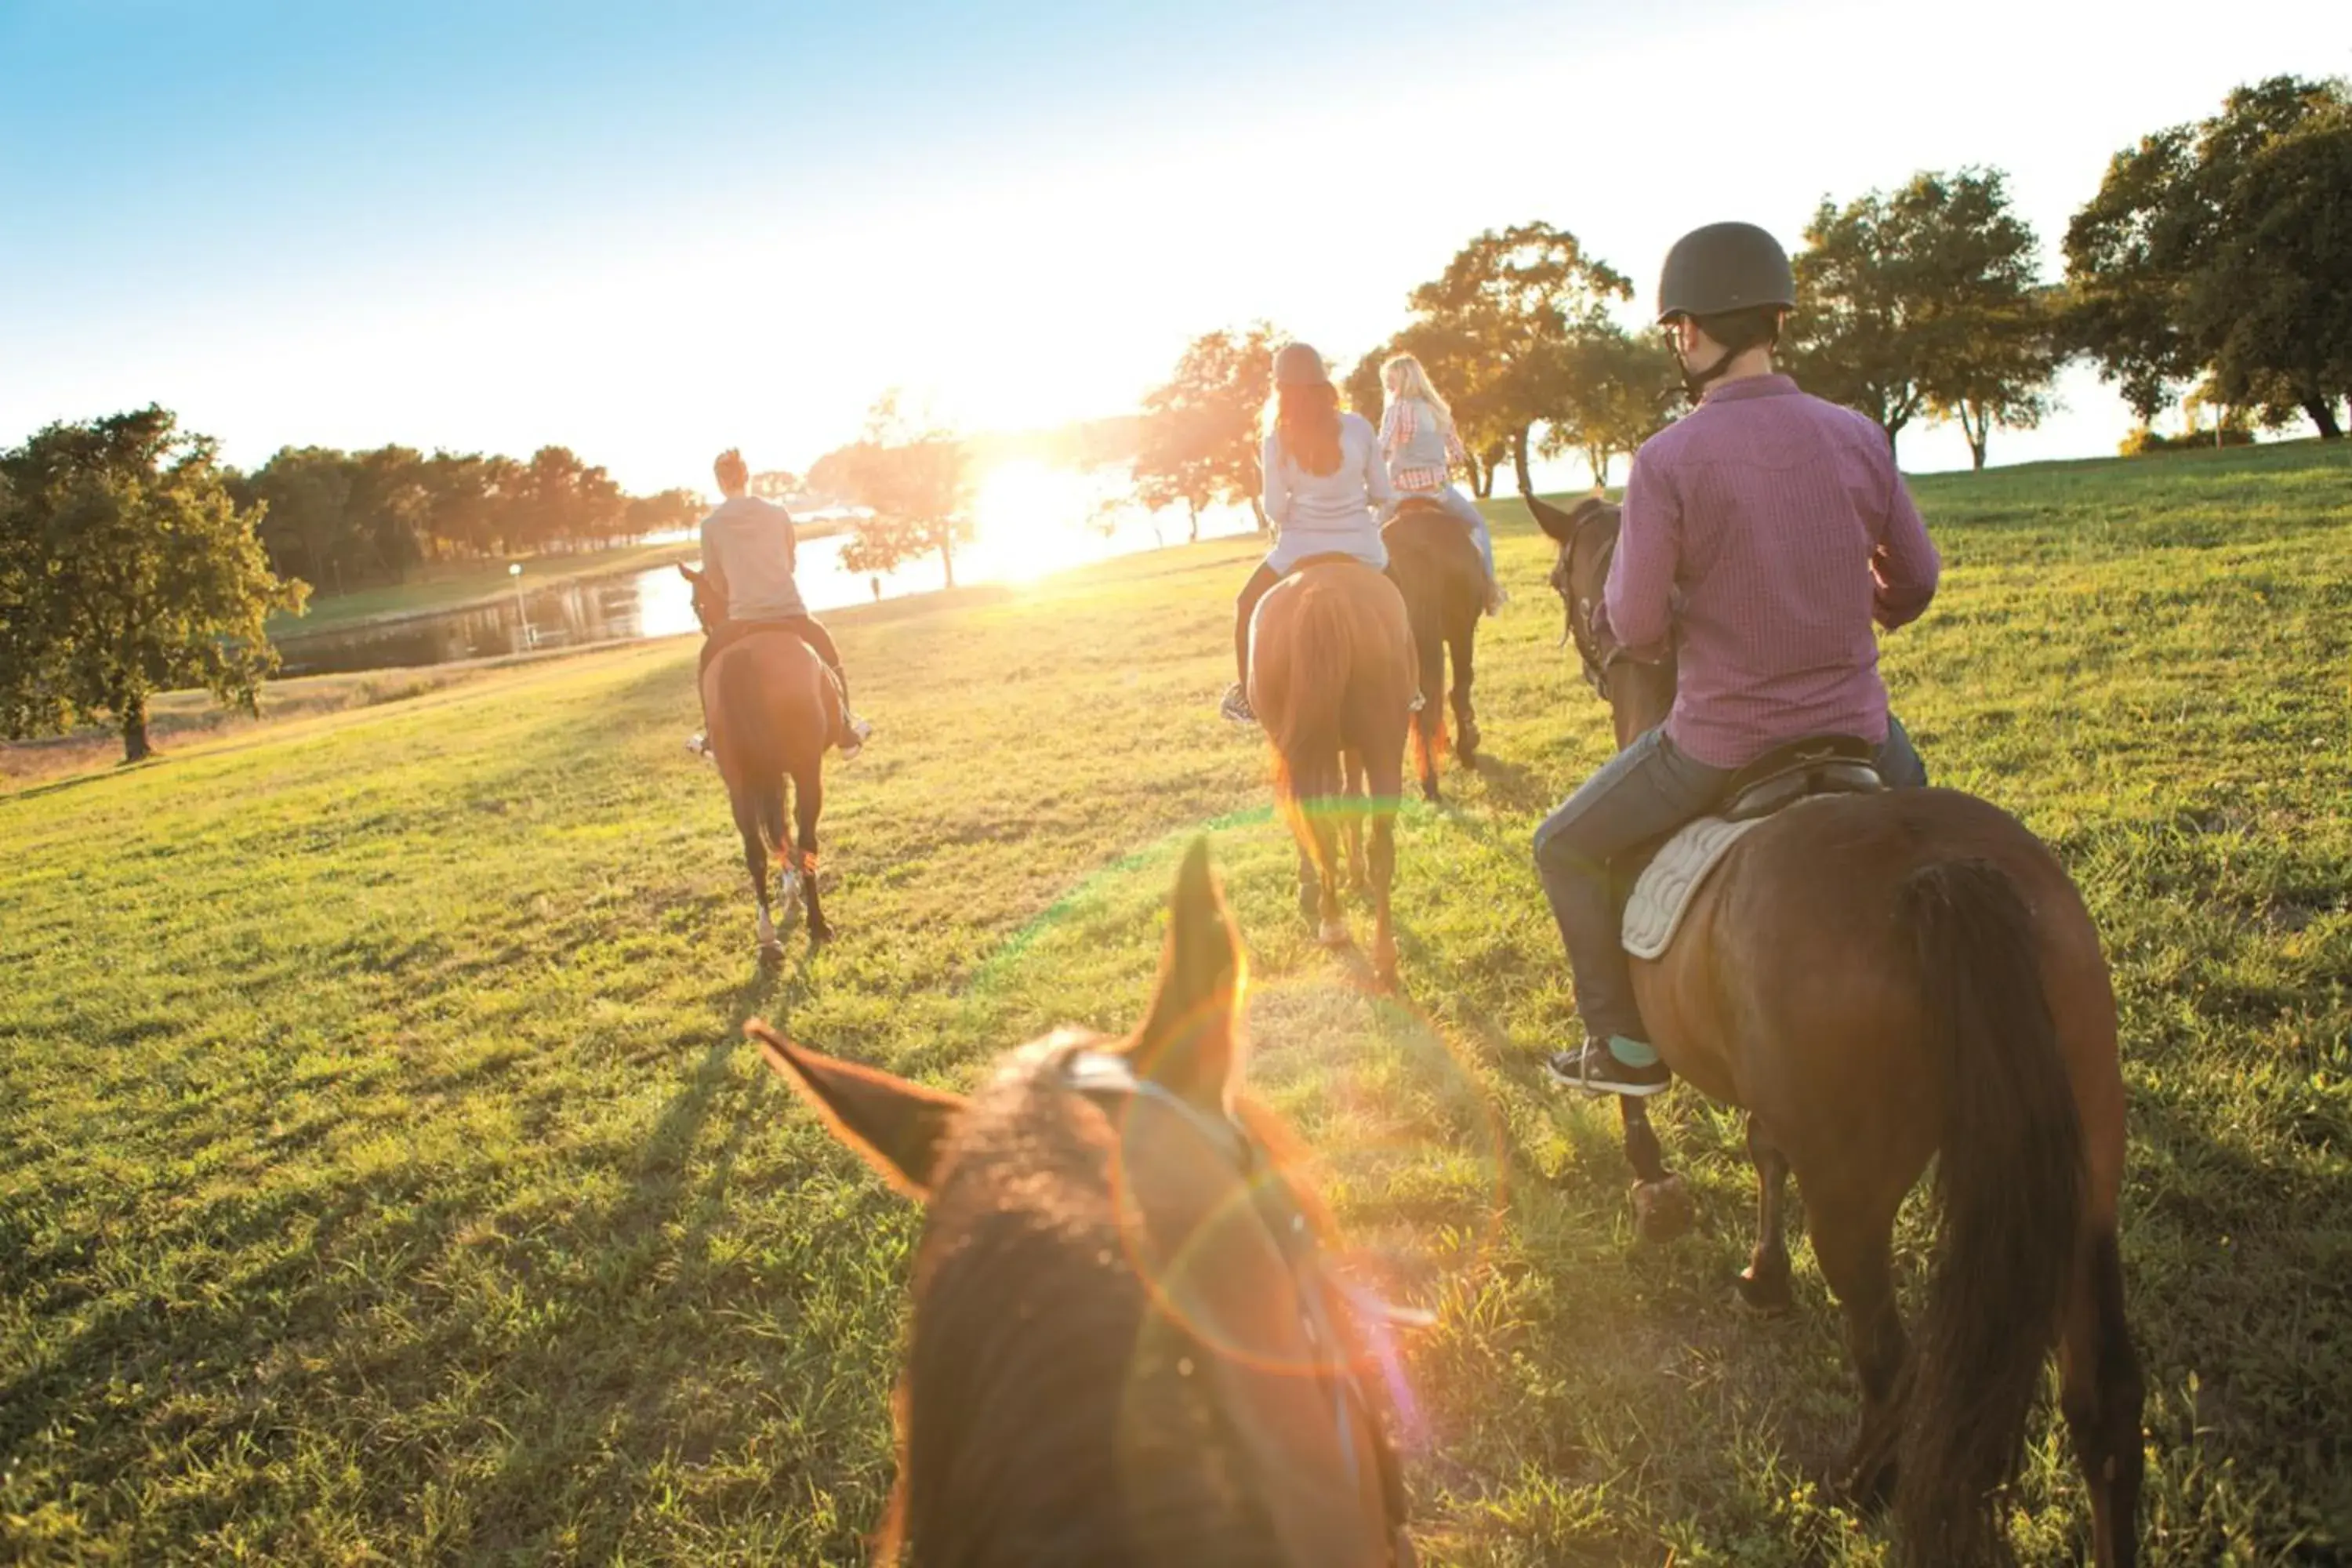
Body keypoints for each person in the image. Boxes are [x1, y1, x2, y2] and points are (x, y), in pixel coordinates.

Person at [1534, 221, 1940, 1097]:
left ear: (1689, 329)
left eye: (1676, 328)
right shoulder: (1860, 435)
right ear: (1773, 319)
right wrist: (1843, 605)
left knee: (1563, 845)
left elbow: (1635, 628)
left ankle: (1625, 1048)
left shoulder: (1668, 459)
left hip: (1720, 743)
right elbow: (1917, 581)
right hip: (1860, 733)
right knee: (1939, 841)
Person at [1219, 343, 1396, 726]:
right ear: (1324, 382)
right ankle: (1412, 686)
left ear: (1280, 388)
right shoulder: (1360, 427)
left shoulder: (1275, 440)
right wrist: (1353, 499)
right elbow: (1383, 492)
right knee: (1405, 598)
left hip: (1298, 549)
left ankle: (1247, 698)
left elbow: (1274, 509)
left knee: (1246, 604)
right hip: (1362, 548)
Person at [687, 448, 873, 760]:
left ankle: (713, 738)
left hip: (743, 617)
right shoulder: (778, 514)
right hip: (790, 610)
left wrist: (738, 590)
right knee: (827, 651)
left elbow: (716, 579)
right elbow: (789, 562)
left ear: (720, 482)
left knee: (708, 660)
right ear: (747, 477)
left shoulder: (711, 527)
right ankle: (846, 732)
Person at [1377, 353, 1503, 613]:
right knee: (1478, 526)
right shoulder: (1439, 410)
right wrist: (1436, 464)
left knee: (1368, 535)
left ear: (1401, 380)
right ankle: (1489, 590)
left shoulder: (1396, 409)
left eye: (1390, 381)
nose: (1388, 386)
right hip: (1438, 493)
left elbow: (1383, 450)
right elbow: (1457, 455)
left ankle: (1367, 599)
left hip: (1399, 493)